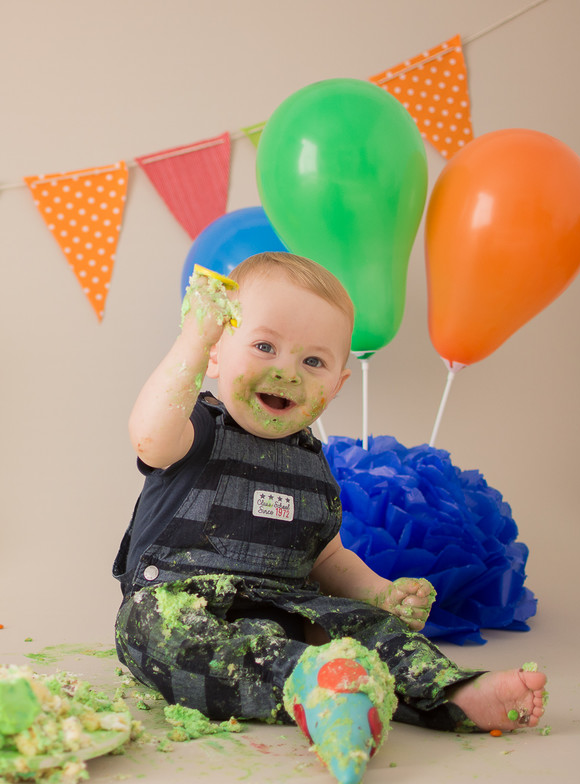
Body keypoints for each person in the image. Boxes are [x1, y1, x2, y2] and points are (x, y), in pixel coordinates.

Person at [112, 252, 545, 774]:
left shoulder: (314, 466)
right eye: (264, 346)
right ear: (218, 353)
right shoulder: (196, 428)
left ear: (337, 385)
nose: (286, 372)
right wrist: (192, 341)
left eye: (313, 362)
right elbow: (150, 436)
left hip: (289, 612)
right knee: (158, 635)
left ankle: (451, 692)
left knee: (371, 627)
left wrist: (379, 593)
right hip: (182, 601)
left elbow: (327, 557)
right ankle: (314, 683)